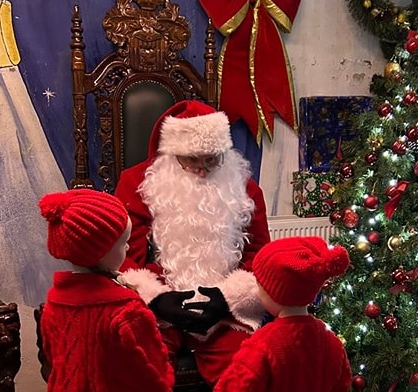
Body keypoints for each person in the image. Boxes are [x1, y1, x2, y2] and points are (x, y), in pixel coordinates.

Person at [116, 100, 271, 385]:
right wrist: (157, 299)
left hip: (223, 303)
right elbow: (122, 258)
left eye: (211, 159)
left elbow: (259, 256)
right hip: (160, 301)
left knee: (246, 372)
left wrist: (227, 300)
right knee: (139, 365)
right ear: (173, 154)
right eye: (191, 160)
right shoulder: (138, 183)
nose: (202, 170)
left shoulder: (245, 189)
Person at [38, 189, 174, 392]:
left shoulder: (54, 302)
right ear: (100, 252)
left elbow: (54, 358)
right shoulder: (127, 310)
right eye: (123, 243)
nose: (127, 248)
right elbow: (153, 371)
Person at [214, 236, 352, 391]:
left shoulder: (262, 345)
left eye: (259, 285)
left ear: (273, 292)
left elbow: (232, 387)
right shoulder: (332, 342)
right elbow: (343, 385)